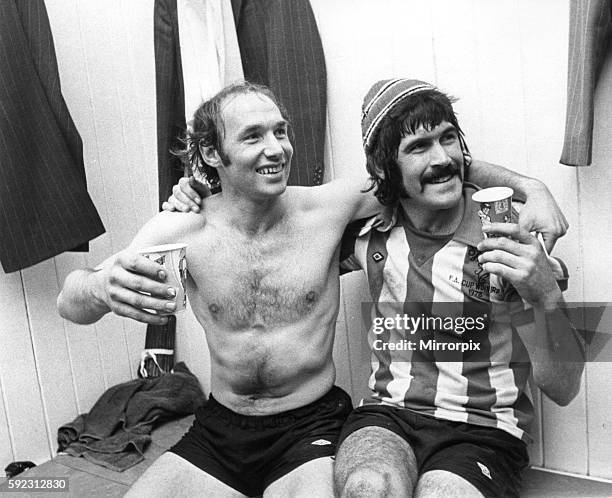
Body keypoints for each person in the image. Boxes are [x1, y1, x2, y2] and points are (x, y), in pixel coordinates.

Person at [59, 81, 568, 498]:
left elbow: (427, 167)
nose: (276, 148)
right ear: (212, 152)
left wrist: (533, 188)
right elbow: (70, 300)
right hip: (222, 427)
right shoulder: (180, 230)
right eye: (254, 136)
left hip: (312, 426)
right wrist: (102, 287)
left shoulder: (328, 212)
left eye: (281, 131)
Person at [331, 79, 584, 498]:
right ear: (384, 169)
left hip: (482, 430)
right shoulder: (368, 234)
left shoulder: (505, 230)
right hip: (387, 415)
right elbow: (280, 236)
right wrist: (190, 202)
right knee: (367, 488)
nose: (443, 158)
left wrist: (544, 295)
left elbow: (564, 387)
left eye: (448, 138)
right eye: (418, 147)